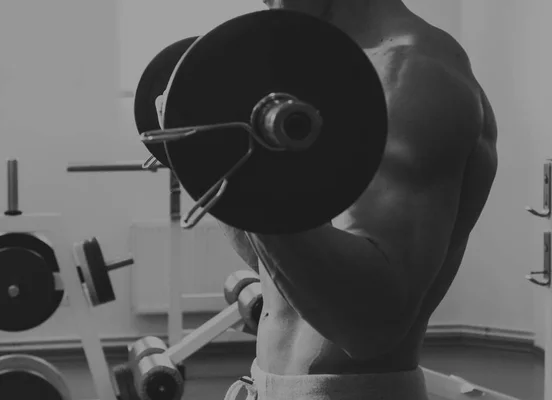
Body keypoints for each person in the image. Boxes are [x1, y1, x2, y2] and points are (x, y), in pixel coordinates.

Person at [161, 1, 498, 399]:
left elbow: (369, 326)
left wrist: (248, 180)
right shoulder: (324, 74)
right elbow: (285, 273)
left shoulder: (412, 74)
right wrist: (211, 158)